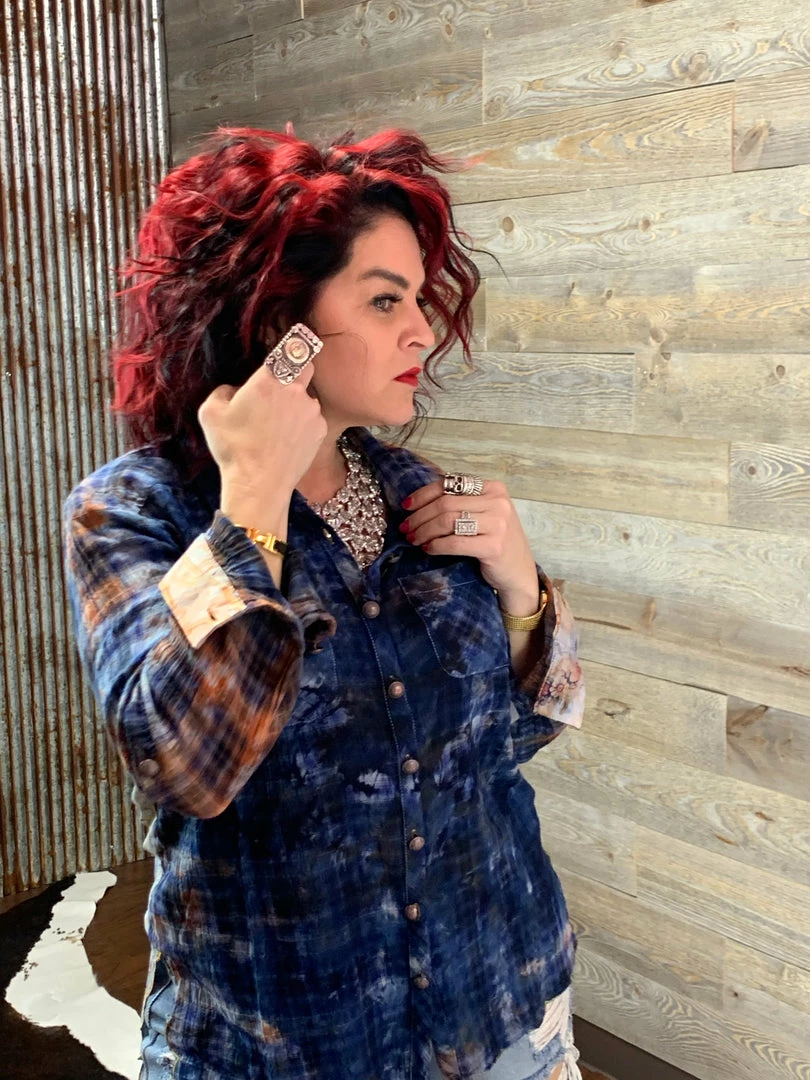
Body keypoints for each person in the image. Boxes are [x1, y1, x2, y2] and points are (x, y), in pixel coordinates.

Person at [63, 126, 586, 1080]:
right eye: (385, 300)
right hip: (284, 1046)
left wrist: (524, 589)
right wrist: (251, 510)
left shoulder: (422, 496)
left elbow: (509, 742)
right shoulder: (135, 512)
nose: (422, 331)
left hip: (502, 1006)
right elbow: (185, 767)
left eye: (418, 299)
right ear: (281, 323)